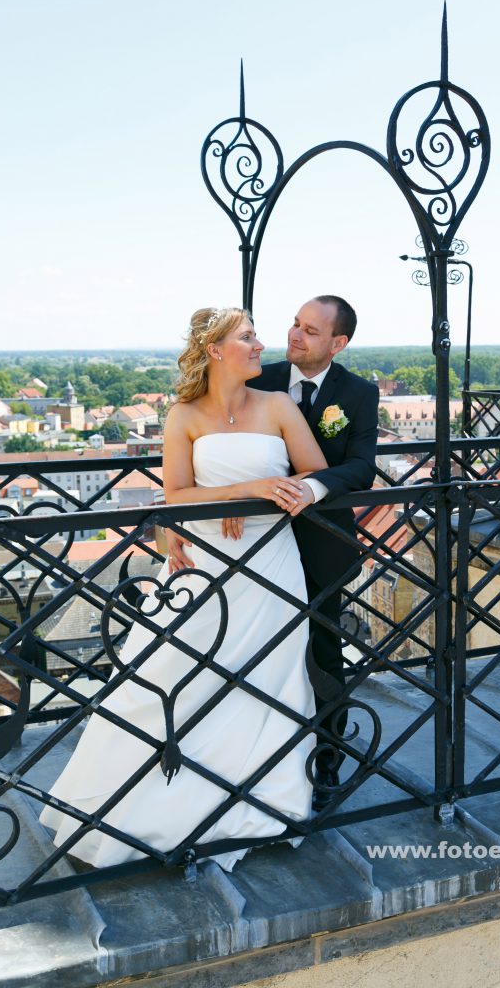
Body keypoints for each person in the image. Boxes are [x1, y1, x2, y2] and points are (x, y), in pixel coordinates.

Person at [40, 307, 327, 871]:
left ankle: (262, 802)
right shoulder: (183, 415)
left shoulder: (279, 406)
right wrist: (242, 492)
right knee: (175, 674)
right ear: (216, 350)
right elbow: (175, 494)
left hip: (271, 564)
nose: (259, 343)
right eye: (247, 337)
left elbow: (315, 473)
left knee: (270, 675)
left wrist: (278, 496)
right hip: (204, 564)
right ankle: (153, 805)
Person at [166, 296, 379, 809]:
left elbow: (357, 469)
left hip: (316, 544)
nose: (293, 335)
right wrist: (242, 492)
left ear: (338, 342)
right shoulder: (257, 376)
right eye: (294, 324)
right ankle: (223, 762)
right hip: (240, 543)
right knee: (232, 656)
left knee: (321, 657)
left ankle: (325, 761)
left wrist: (279, 489)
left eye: (310, 330)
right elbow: (202, 469)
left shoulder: (358, 393)